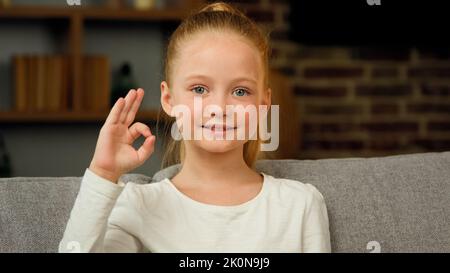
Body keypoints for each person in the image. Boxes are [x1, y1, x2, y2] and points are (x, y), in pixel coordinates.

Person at [59, 2, 331, 253]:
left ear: (263, 103)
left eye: (240, 91)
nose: (220, 107)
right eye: (199, 89)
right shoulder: (138, 206)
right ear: (169, 99)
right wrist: (103, 173)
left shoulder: (300, 205)